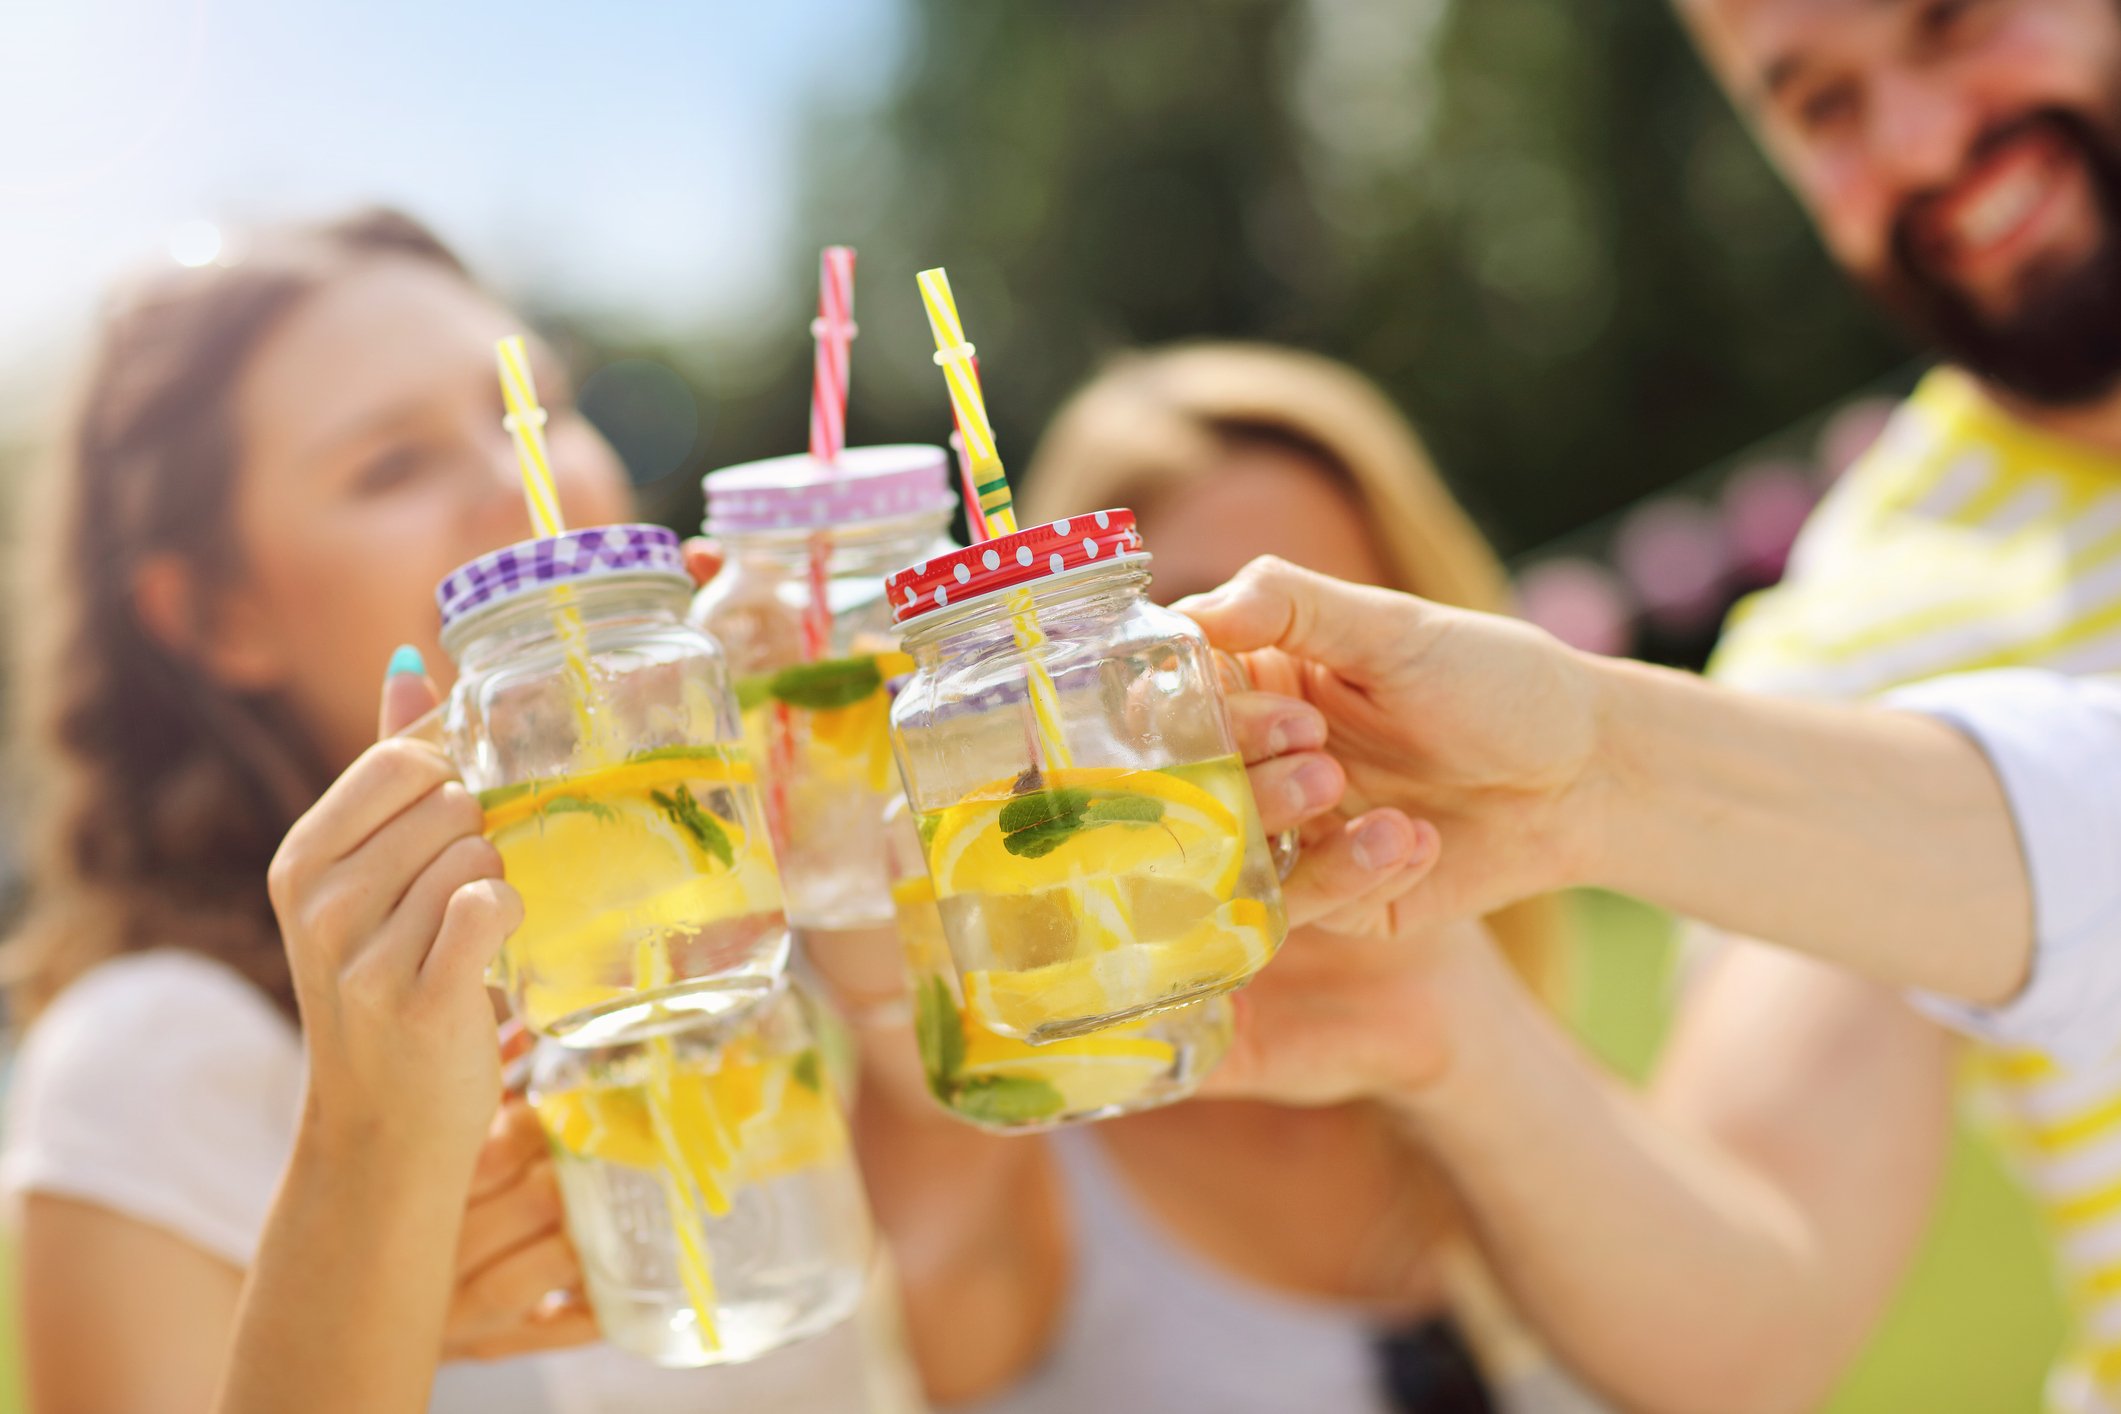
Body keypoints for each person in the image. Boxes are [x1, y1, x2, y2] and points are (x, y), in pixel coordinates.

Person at [0, 208, 941, 1414]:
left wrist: (857, 879)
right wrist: (369, 1213)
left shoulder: (714, 922)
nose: (518, 488)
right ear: (217, 615)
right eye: (391, 466)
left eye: (535, 413)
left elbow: (997, 1316)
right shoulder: (154, 1058)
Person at [978, 343, 1594, 1414]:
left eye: (1342, 624)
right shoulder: (1021, 1152)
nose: (1274, 700)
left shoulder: (1491, 1044)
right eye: (1184, 637)